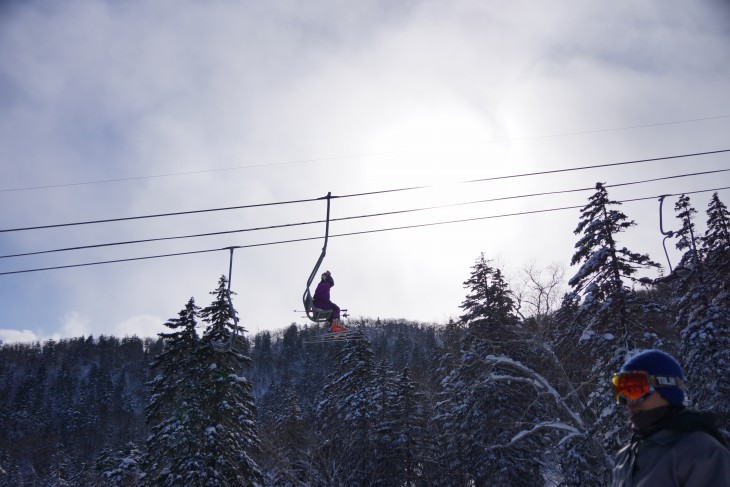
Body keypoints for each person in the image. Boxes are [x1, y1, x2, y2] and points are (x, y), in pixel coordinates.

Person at [611, 349, 730, 486]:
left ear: (666, 387)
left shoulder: (702, 452)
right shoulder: (625, 456)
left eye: (637, 390)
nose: (629, 401)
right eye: (622, 391)